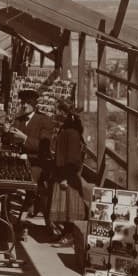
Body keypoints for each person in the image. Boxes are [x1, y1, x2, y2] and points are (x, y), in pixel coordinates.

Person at [6, 88, 55, 238]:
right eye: (22, 102)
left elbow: (44, 147)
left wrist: (24, 138)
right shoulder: (19, 119)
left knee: (32, 188)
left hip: (37, 163)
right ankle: (10, 221)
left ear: (34, 104)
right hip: (19, 162)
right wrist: (7, 133)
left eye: (27, 103)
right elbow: (10, 142)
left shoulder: (44, 120)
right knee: (6, 186)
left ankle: (23, 222)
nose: (23, 105)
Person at [48, 100, 89, 247]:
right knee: (65, 209)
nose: (56, 114)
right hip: (63, 174)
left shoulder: (72, 133)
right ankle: (66, 234)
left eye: (58, 111)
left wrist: (65, 177)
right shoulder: (67, 130)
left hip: (68, 176)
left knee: (70, 209)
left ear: (65, 113)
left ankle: (70, 236)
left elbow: (72, 159)